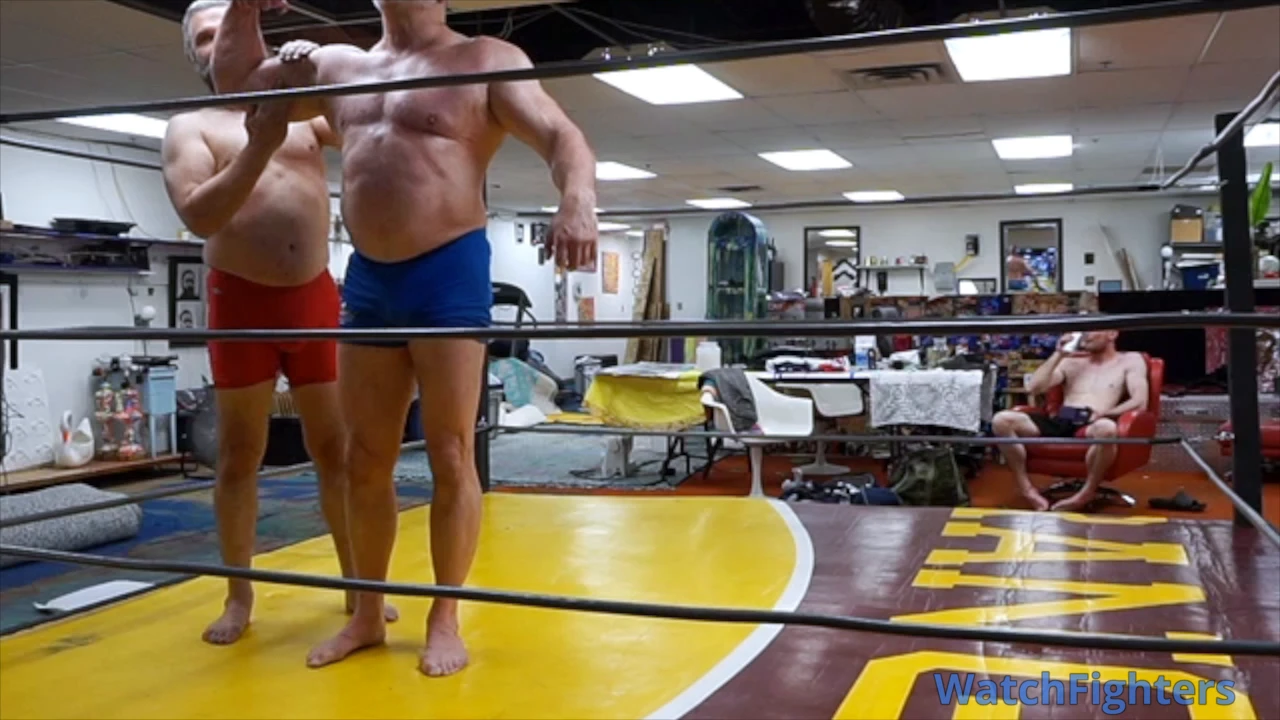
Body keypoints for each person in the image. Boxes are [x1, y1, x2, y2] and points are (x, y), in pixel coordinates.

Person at [212, 0, 598, 676]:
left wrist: (578, 199)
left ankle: (445, 616)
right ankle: (366, 612)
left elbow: (561, 136)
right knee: (365, 457)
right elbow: (240, 85)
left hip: (448, 271)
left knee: (450, 452)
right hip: (369, 280)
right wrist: (244, 9)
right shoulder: (338, 67)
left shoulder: (485, 60)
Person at [161, 0, 397, 647]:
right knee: (240, 454)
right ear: (195, 55)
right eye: (205, 36)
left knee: (337, 451)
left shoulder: (302, 114)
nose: (220, 42)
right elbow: (201, 216)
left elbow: (370, 120)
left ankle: (360, 589)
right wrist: (259, 143)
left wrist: (313, 67)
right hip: (240, 301)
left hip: (313, 296)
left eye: (229, 27)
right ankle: (239, 596)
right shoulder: (191, 128)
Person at [991, 331, 1149, 512]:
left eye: (1091, 330)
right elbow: (1033, 388)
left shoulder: (1131, 360)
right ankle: (1027, 489)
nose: (1086, 336)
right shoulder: (1071, 361)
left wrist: (1105, 413)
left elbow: (1140, 402)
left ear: (1112, 334)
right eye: (1083, 331)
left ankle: (1086, 493)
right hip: (1062, 419)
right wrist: (1058, 354)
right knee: (1001, 420)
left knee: (1107, 428)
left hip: (1093, 422)